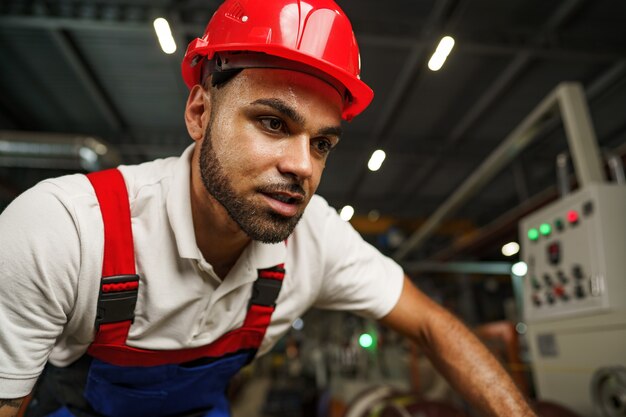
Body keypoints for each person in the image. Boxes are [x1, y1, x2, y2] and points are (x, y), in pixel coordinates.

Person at [0, 1, 537, 416]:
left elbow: (430, 326)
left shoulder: (315, 241)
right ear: (200, 111)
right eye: (274, 123)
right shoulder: (66, 229)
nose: (303, 166)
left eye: (322, 143)